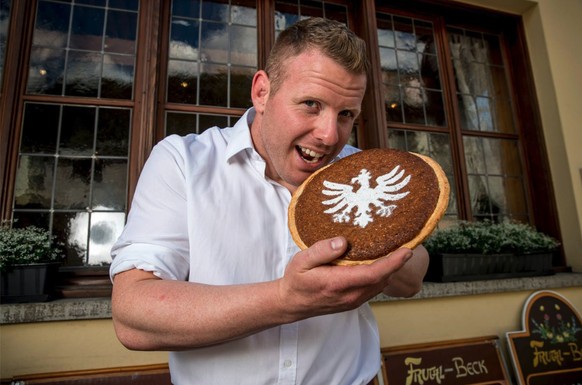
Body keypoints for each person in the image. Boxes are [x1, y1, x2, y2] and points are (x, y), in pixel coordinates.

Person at [110, 17, 429, 385]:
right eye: (311, 104)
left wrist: (381, 246)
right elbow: (133, 316)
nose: (329, 135)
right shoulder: (184, 162)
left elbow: (412, 281)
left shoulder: (358, 172)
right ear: (262, 92)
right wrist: (286, 299)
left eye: (346, 115)